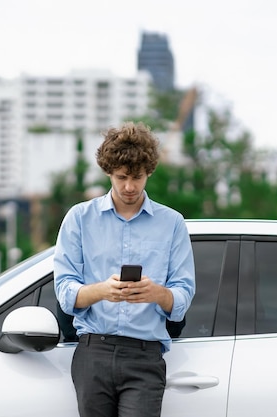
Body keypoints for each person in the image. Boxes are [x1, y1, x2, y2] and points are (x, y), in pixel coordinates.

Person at [54, 121, 196, 417]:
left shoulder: (172, 223)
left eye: (137, 177)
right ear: (108, 172)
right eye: (121, 177)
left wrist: (157, 293)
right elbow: (64, 291)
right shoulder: (79, 218)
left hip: (146, 354)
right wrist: (101, 291)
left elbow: (183, 294)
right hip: (93, 352)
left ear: (149, 172)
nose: (129, 186)